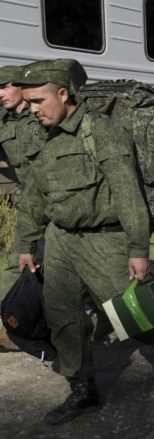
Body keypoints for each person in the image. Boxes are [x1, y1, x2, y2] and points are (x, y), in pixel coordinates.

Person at [12, 59, 154, 425]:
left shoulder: (101, 130)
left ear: (63, 94)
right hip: (60, 241)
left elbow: (127, 193)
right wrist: (26, 243)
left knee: (133, 314)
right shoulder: (42, 136)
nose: (32, 110)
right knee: (63, 319)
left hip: (105, 241)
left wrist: (138, 248)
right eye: (27, 102)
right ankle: (83, 390)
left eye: (39, 101)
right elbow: (33, 196)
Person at [0, 64, 39, 295]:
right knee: (19, 262)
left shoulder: (42, 114)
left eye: (4, 87)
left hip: (61, 203)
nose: (0, 94)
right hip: (30, 204)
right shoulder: (4, 119)